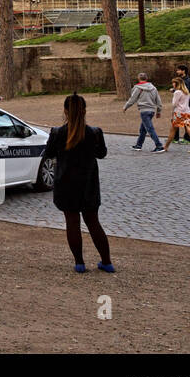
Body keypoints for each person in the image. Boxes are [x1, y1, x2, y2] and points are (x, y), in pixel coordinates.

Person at [45, 93, 113, 273]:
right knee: (93, 222)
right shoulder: (95, 132)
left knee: (72, 223)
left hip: (66, 182)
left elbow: (49, 153)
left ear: (65, 111)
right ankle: (106, 261)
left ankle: (79, 262)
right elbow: (102, 154)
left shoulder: (58, 133)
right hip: (88, 183)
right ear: (84, 111)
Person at [123, 72, 165, 152]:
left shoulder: (137, 88)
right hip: (152, 110)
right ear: (147, 78)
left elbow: (132, 99)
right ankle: (138, 145)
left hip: (144, 110)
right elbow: (158, 101)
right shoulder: (154, 88)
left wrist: (126, 107)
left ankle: (159, 145)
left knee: (149, 128)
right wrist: (158, 111)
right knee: (143, 129)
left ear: (138, 78)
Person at [164, 76, 190, 153]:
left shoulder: (177, 92)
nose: (172, 84)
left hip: (179, 113)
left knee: (173, 130)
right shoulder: (187, 92)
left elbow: (174, 104)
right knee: (188, 129)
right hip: (187, 112)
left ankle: (165, 146)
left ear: (176, 84)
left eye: (173, 83)